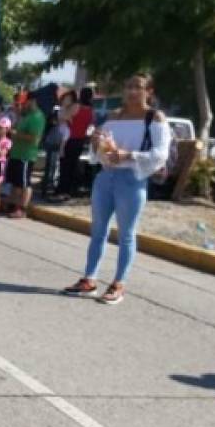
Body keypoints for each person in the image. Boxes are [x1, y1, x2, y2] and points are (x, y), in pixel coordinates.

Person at [62, 74, 170, 305]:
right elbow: (97, 154)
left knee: (126, 234)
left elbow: (161, 154)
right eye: (128, 86)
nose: (132, 91)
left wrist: (129, 155)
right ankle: (89, 279)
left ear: (149, 91)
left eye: (138, 87)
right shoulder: (113, 116)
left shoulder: (154, 118)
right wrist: (95, 145)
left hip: (132, 178)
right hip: (106, 176)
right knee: (98, 231)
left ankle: (118, 283)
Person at [4, 95, 45, 218]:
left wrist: (16, 134)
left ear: (33, 101)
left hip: (26, 155)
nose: (22, 105)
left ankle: (22, 208)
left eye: (24, 103)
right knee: (15, 182)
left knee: (24, 183)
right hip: (16, 153)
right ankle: (12, 204)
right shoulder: (26, 116)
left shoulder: (37, 117)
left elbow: (34, 139)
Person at [56, 86, 94, 198]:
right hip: (80, 140)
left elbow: (63, 118)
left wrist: (64, 111)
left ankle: (62, 190)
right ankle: (70, 190)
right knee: (73, 165)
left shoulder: (76, 106)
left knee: (65, 166)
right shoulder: (91, 110)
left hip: (69, 139)